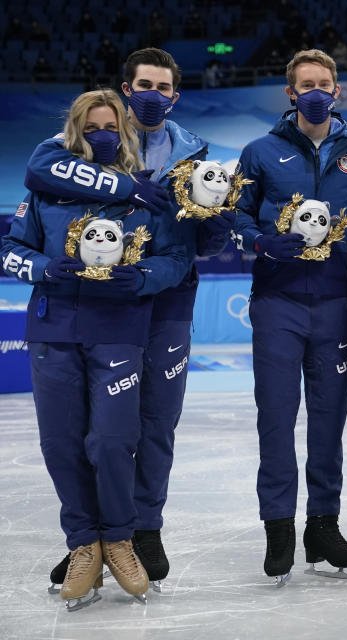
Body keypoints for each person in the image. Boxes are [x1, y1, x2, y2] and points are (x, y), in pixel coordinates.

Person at [24, 48, 224, 593]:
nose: (153, 95)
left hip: (162, 302)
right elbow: (39, 172)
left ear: (176, 96)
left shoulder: (193, 156)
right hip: (96, 308)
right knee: (82, 430)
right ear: (126, 87)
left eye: (164, 87)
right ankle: (91, 539)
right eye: (144, 84)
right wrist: (128, 187)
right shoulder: (82, 149)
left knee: (152, 423)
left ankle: (142, 529)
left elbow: (194, 245)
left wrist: (219, 222)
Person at [1, 89, 189, 608]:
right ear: (75, 133)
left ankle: (120, 540)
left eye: (111, 128)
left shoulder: (150, 194)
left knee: (110, 441)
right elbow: (8, 249)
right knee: (62, 444)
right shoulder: (47, 190)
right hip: (54, 329)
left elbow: (176, 258)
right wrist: (41, 267)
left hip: (120, 330)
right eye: (92, 129)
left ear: (125, 133)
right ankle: (85, 545)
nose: (103, 137)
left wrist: (144, 277)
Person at [233, 49, 347, 585]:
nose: (316, 90)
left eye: (324, 83)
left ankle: (323, 525)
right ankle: (278, 528)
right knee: (276, 419)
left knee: (330, 424)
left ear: (338, 91)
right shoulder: (259, 152)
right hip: (277, 304)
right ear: (290, 93)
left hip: (337, 305)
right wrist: (261, 242)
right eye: (305, 84)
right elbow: (233, 218)